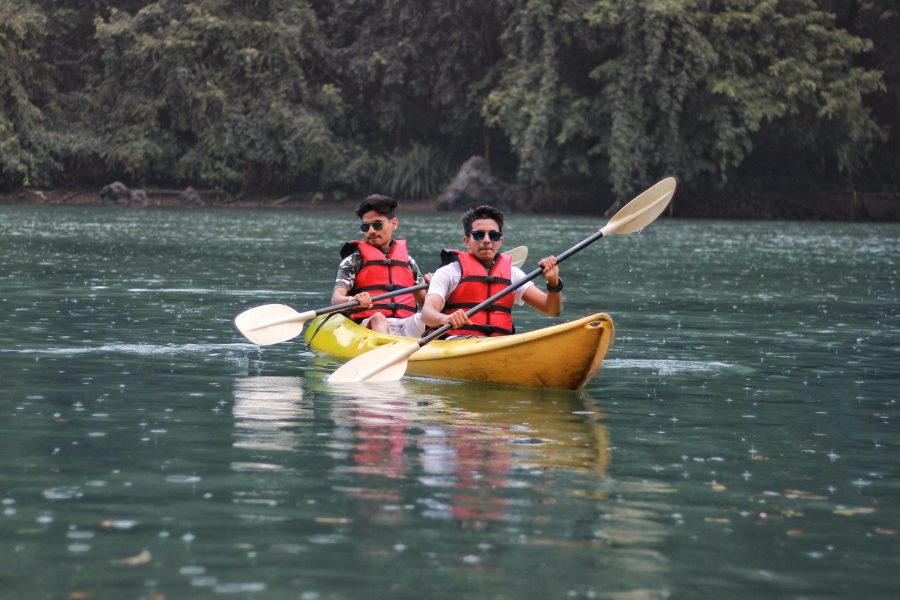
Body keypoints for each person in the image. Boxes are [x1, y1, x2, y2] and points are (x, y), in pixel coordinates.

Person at [422, 204, 562, 338]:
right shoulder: (449, 272)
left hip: (500, 342)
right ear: (467, 241)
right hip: (457, 342)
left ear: (500, 241)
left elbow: (552, 310)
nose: (487, 240)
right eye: (479, 235)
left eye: (493, 235)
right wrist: (446, 318)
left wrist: (553, 282)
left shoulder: (513, 274)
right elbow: (427, 314)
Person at [332, 194, 430, 337]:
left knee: (427, 319)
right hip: (369, 325)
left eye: (377, 224)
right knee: (379, 318)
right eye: (365, 227)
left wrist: (435, 288)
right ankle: (385, 350)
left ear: (394, 224)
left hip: (405, 323)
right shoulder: (353, 261)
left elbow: (427, 305)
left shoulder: (408, 262)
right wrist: (352, 300)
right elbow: (336, 300)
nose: (371, 231)